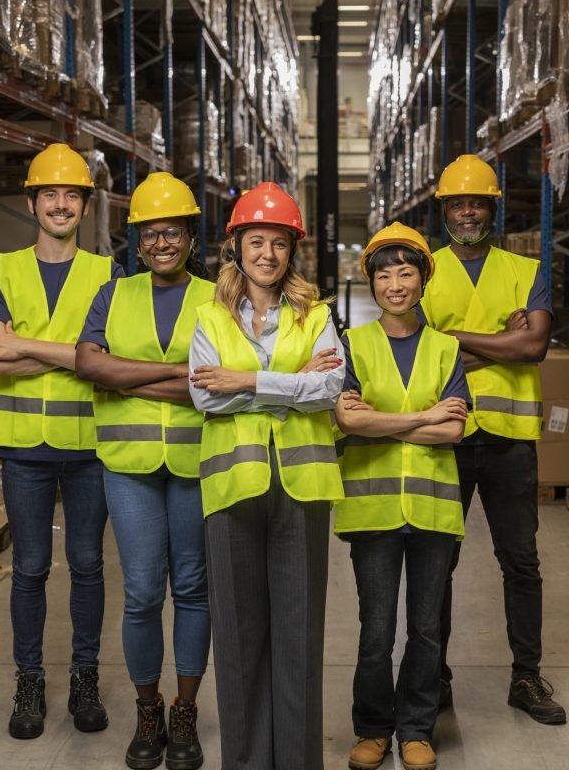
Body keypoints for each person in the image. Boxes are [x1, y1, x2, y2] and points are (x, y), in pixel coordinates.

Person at [189, 182, 345, 770]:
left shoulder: (318, 314)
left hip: (301, 491)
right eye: (256, 241)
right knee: (237, 639)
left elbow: (329, 389)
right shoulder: (209, 315)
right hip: (233, 490)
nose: (267, 255)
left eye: (278, 244)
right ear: (237, 247)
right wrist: (291, 383)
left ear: (292, 250)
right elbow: (206, 398)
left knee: (299, 637)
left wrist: (249, 382)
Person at [0, 143, 120, 738]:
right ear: (32, 201)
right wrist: (73, 356)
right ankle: (29, 682)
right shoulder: (1, 269)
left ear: (85, 208)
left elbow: (107, 361)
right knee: (30, 567)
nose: (61, 204)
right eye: (50, 194)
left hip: (90, 447)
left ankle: (85, 678)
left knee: (87, 565)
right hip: (24, 450)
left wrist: (26, 344)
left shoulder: (108, 274)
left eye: (72, 196)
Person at [75, 172, 214, 770]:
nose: (162, 242)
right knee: (139, 594)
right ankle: (148, 707)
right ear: (137, 239)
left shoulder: (217, 297)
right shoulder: (114, 294)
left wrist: (127, 373)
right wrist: (175, 377)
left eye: (173, 232)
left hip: (196, 462)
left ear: (190, 235)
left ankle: (185, 711)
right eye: (151, 233)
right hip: (128, 466)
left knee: (191, 588)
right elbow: (89, 365)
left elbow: (214, 386)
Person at [421, 154, 566, 724]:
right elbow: (419, 353)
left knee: (521, 562)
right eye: (457, 202)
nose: (467, 211)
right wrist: (495, 339)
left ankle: (525, 678)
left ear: (492, 207)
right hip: (446, 435)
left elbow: (532, 348)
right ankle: (435, 675)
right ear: (444, 210)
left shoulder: (525, 269)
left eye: (477, 201)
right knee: (438, 563)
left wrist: (450, 340)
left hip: (509, 440)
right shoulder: (423, 271)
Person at [335, 223, 468, 770]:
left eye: (405, 272)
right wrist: (423, 416)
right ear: (371, 283)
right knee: (376, 628)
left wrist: (381, 421)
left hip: (435, 510)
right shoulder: (352, 345)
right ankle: (372, 728)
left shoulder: (445, 348)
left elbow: (453, 432)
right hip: (373, 509)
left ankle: (416, 729)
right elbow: (346, 419)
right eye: (384, 273)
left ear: (422, 279)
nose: (395, 283)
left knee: (426, 628)